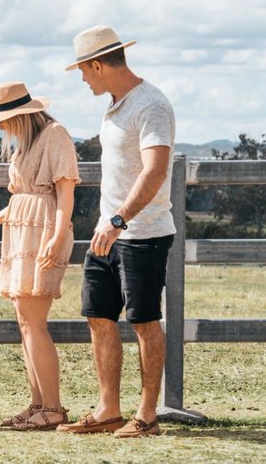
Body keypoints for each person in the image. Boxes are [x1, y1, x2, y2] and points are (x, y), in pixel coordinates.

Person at [56, 25, 176, 439]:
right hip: (108, 232)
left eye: (84, 73)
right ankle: (108, 409)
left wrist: (120, 219)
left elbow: (156, 170)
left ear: (97, 65)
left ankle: (146, 417)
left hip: (141, 233)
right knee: (98, 315)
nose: (83, 80)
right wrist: (108, 223)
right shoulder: (116, 104)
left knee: (144, 321)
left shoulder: (151, 104)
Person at [0, 81, 80, 431]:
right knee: (25, 322)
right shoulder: (26, 143)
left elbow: (64, 192)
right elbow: (22, 197)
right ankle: (38, 404)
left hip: (42, 231)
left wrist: (57, 237)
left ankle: (54, 407)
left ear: (22, 114)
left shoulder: (56, 134)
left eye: (4, 118)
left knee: (34, 322)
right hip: (20, 230)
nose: (0, 126)